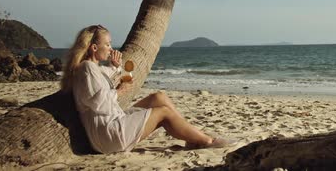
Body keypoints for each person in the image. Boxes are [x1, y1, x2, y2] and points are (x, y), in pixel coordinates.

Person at [60, 24, 232, 153]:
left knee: (159, 97)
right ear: (94, 48)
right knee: (164, 112)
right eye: (108, 44)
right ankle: (207, 141)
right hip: (108, 134)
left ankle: (193, 138)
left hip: (112, 123)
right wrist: (119, 91)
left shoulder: (93, 68)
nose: (111, 48)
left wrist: (115, 66)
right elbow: (98, 103)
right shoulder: (86, 68)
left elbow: (114, 77)